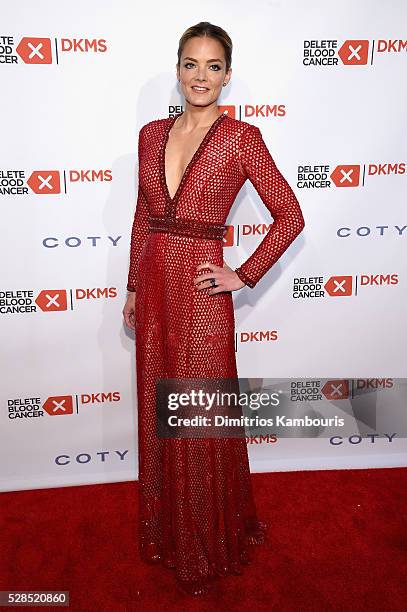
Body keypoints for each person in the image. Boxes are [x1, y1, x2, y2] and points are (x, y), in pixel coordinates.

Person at [123, 21, 305, 596]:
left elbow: (290, 217)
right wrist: (132, 285)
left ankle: (206, 540)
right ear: (177, 70)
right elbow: (141, 214)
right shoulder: (151, 134)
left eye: (213, 66)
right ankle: (167, 531)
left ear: (228, 74)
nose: (201, 77)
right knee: (162, 410)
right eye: (190, 64)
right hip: (153, 288)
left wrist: (243, 274)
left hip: (202, 296)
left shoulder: (241, 138)